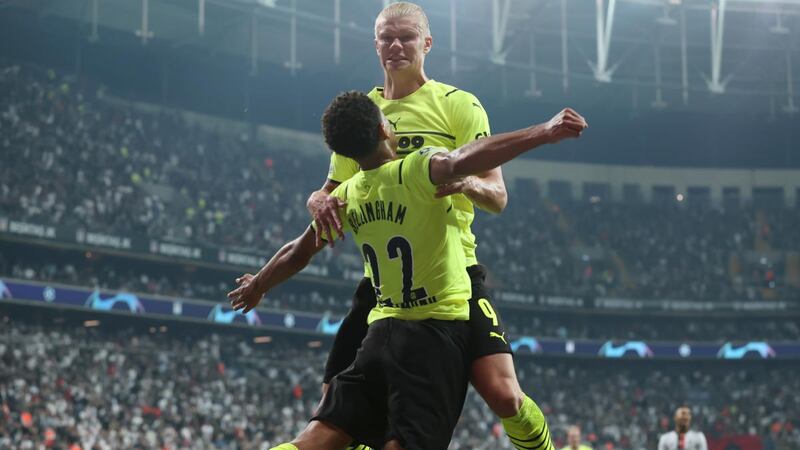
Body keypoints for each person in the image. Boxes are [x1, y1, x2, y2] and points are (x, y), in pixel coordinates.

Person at [228, 91, 587, 449]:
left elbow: (298, 251)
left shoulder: (347, 195)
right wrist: (544, 131)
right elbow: (467, 157)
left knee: (317, 437)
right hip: (433, 333)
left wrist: (259, 284)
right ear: (385, 128)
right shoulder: (416, 168)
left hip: (380, 331)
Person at [306, 3, 563, 447]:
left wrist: (465, 183)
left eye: (406, 37)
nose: (395, 45)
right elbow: (331, 190)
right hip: (383, 283)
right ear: (375, 45)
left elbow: (497, 196)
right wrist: (315, 199)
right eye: (386, 37)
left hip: (453, 269)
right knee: (334, 407)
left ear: (427, 43)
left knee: (504, 395)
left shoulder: (457, 105)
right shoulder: (364, 112)